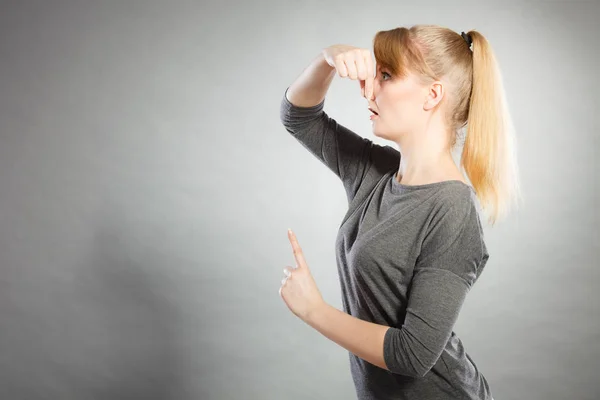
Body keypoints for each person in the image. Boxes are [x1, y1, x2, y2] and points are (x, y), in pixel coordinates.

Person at [279, 24, 522, 399]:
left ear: (432, 95)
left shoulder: (451, 209)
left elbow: (413, 354)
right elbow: (299, 117)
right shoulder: (374, 172)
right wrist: (328, 58)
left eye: (387, 75)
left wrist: (314, 310)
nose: (369, 88)